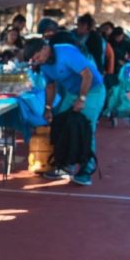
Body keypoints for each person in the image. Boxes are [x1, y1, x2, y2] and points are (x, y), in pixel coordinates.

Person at [24, 38, 106, 186]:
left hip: (93, 90)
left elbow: (87, 75)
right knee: (61, 124)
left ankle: (86, 170)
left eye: (37, 57)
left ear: (44, 48)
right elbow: (50, 86)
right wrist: (47, 108)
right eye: (34, 60)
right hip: (72, 92)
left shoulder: (66, 52)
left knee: (85, 128)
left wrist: (82, 99)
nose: (37, 61)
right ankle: (66, 164)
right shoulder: (44, 65)